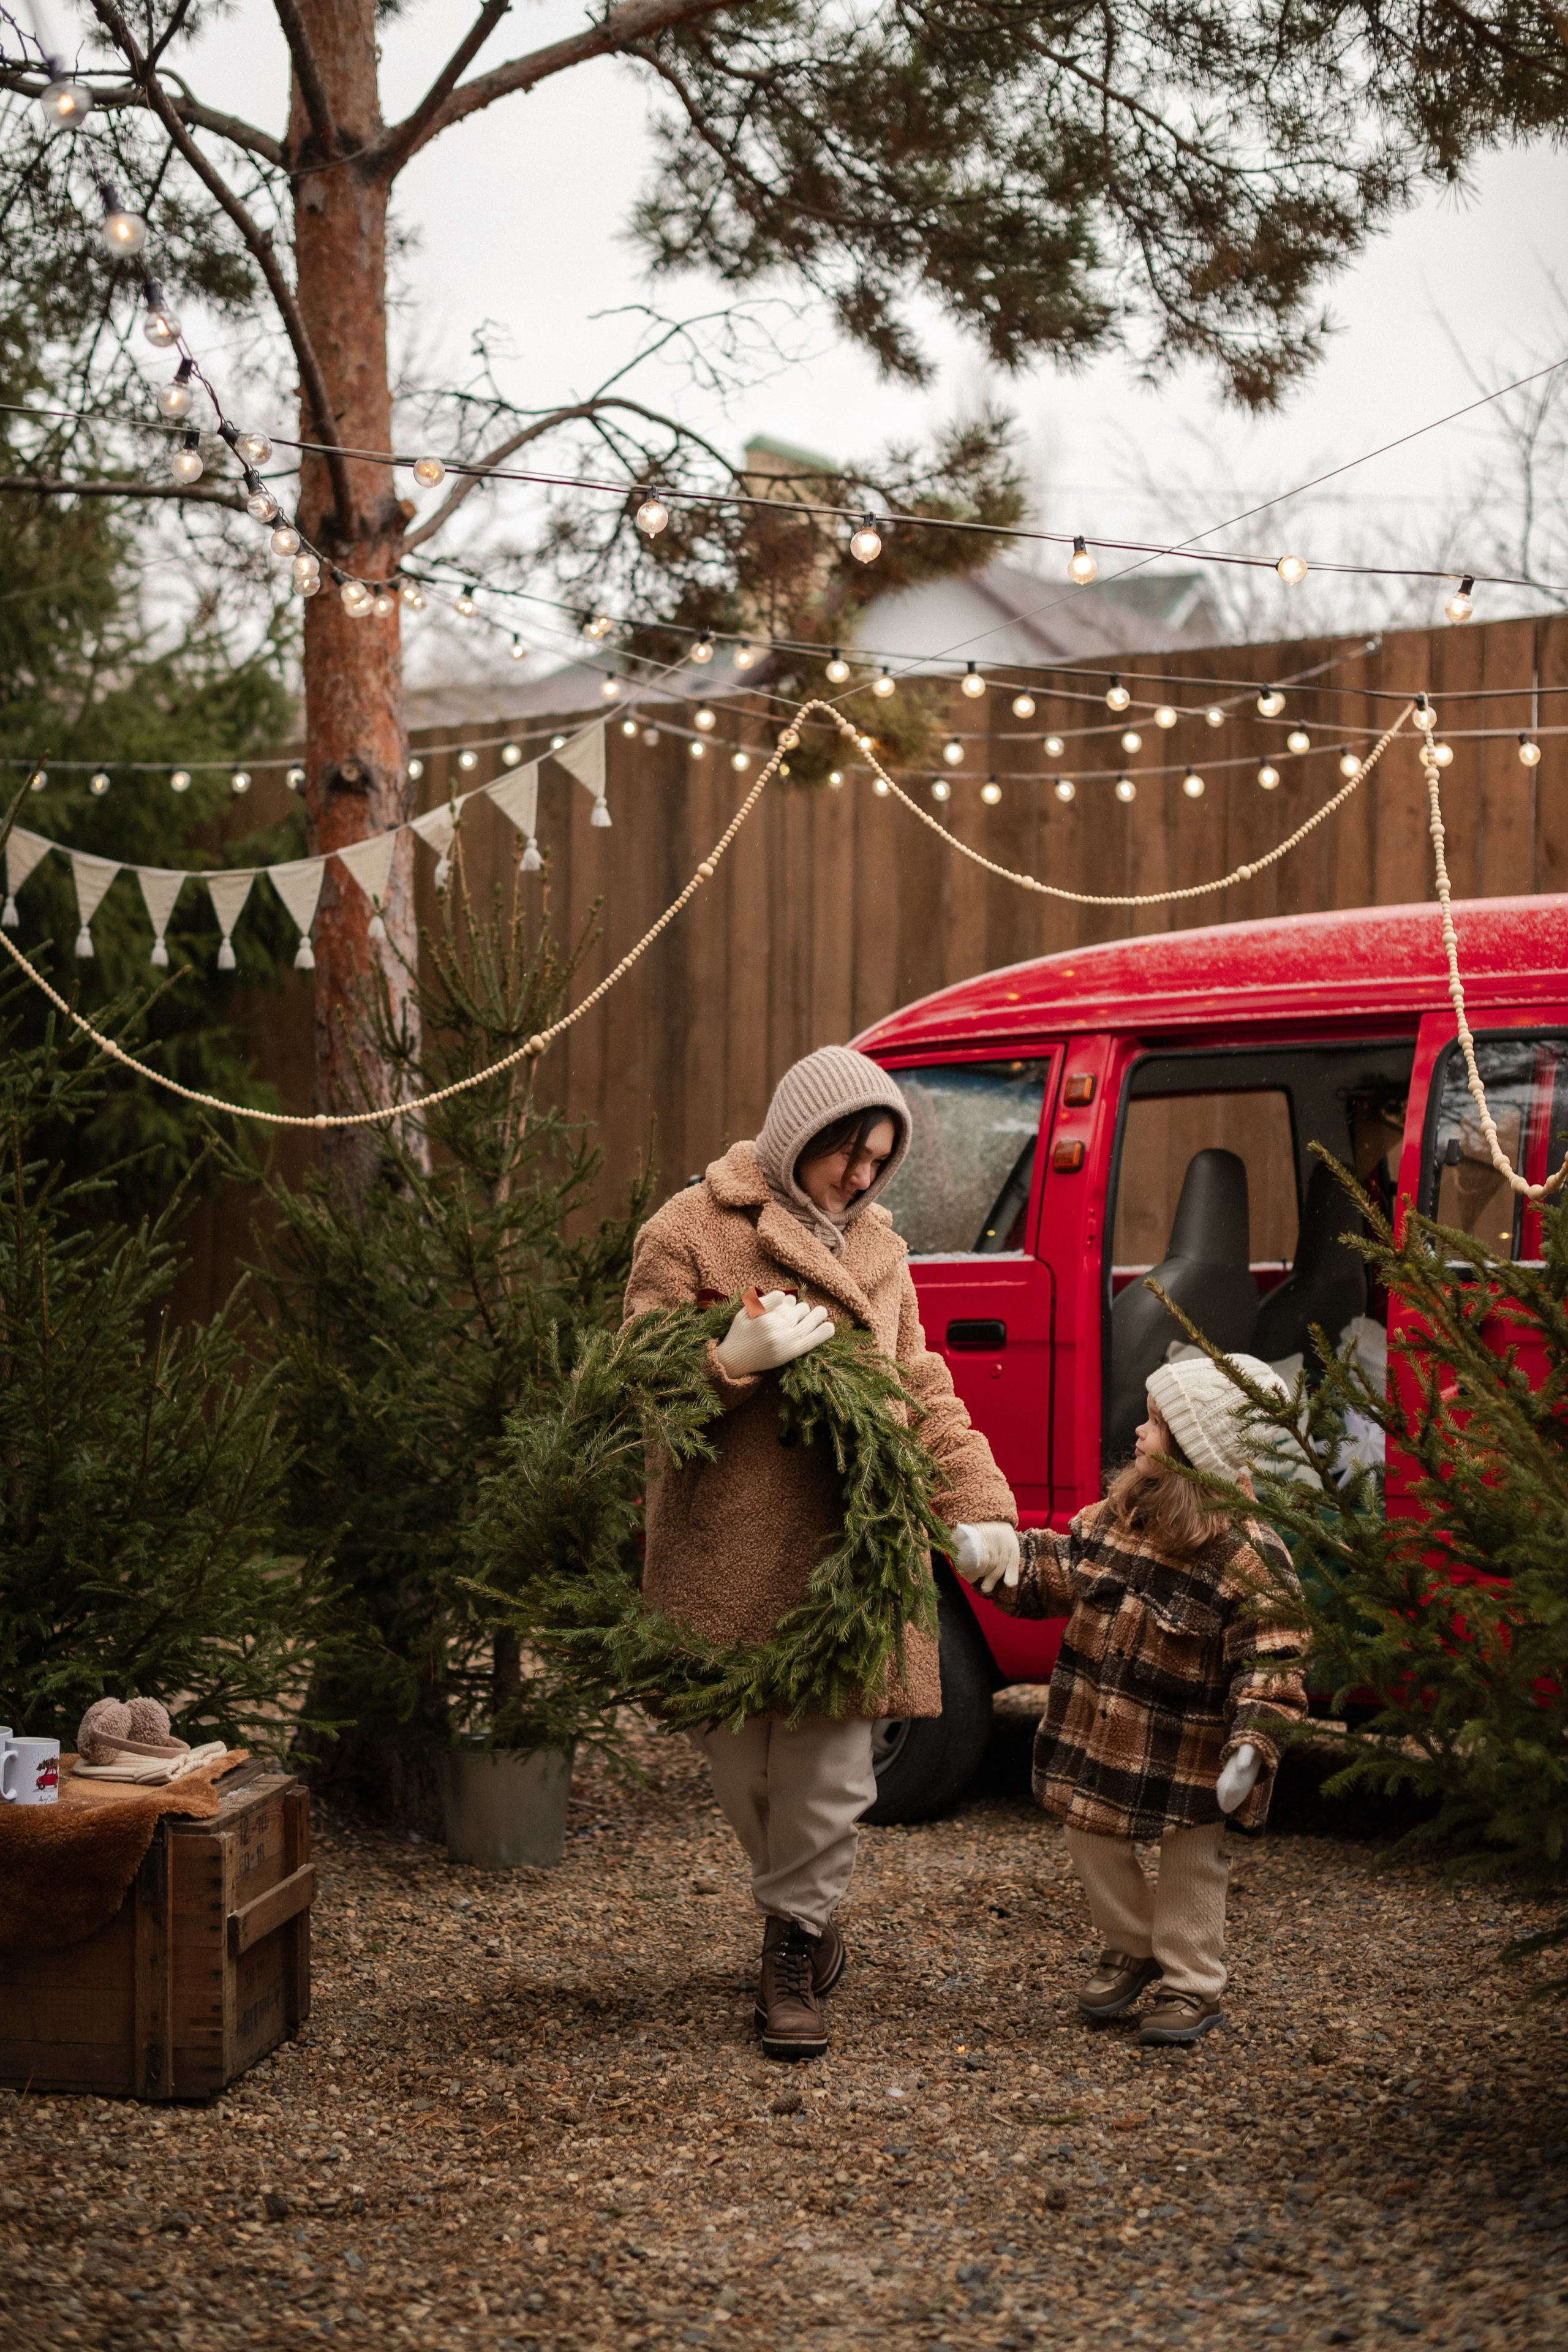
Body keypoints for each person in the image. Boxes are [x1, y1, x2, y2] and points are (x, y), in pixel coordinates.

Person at [624, 1044, 1017, 2060]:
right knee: (742, 1770)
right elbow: (640, 1393)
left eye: (879, 1162)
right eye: (848, 1153)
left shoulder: (880, 1252)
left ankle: (791, 1953)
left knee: (832, 1775)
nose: (860, 1178)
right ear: (801, 1135)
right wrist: (729, 1364)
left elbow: (923, 1385)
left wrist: (980, 1505)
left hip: (852, 1556)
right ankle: (804, 1905)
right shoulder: (689, 1230)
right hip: (725, 1550)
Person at [952, 1353, 1308, 2046]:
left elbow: (1275, 1653)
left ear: (1198, 1450)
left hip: (1194, 1750)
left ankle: (1191, 1984)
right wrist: (1000, 1561)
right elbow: (1057, 1572)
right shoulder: (1118, 1517)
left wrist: (1251, 1746)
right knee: (1087, 1836)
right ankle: (1133, 1942)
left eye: (1156, 1425)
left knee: (1191, 1864)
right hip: (1105, 1737)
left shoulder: (1247, 1554)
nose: (1138, 1435)